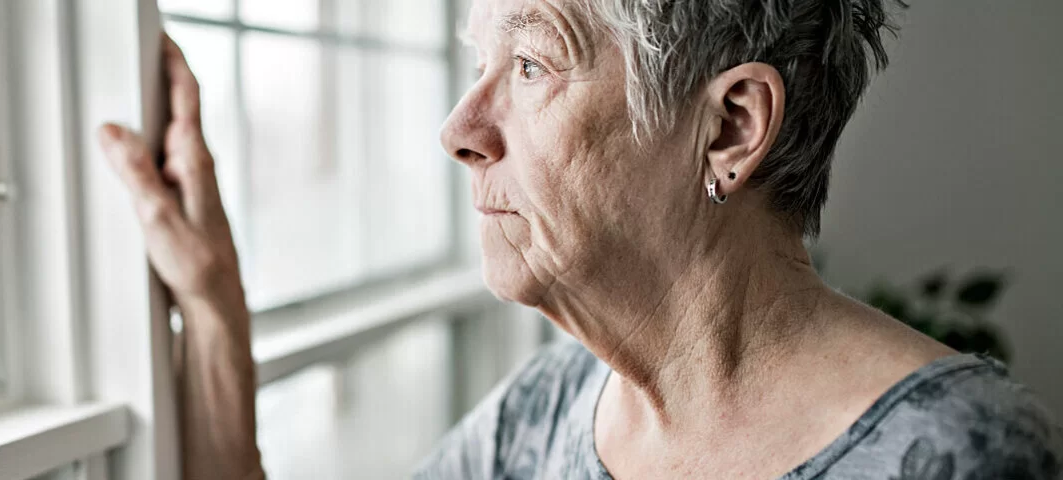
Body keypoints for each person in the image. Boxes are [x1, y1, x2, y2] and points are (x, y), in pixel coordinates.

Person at [95, 0, 1063, 478]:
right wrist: (216, 315)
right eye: (479, 61)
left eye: (529, 62)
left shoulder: (948, 456)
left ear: (728, 128)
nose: (459, 127)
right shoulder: (543, 416)